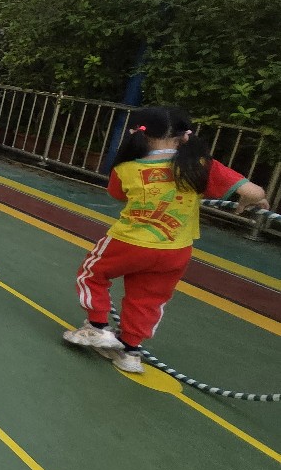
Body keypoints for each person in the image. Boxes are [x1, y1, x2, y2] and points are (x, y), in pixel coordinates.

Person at [65, 106, 269, 374]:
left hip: (129, 242)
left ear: (136, 133)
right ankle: (130, 351)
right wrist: (252, 201)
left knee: (91, 274)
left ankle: (97, 327)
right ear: (185, 136)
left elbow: (118, 194)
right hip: (176, 251)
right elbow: (254, 192)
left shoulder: (126, 168)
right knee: (149, 298)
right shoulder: (200, 166)